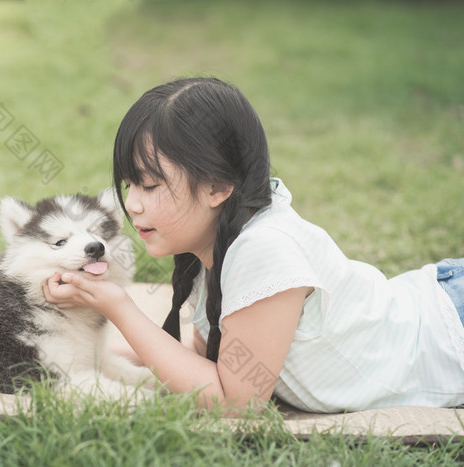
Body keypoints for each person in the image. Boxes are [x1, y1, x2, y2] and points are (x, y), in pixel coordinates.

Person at [43, 77, 464, 414]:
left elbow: (236, 401)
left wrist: (119, 306)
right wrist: (74, 349)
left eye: (150, 184)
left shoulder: (263, 249)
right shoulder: (216, 241)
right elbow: (201, 368)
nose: (131, 203)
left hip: (451, 329)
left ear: (219, 186)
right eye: (128, 184)